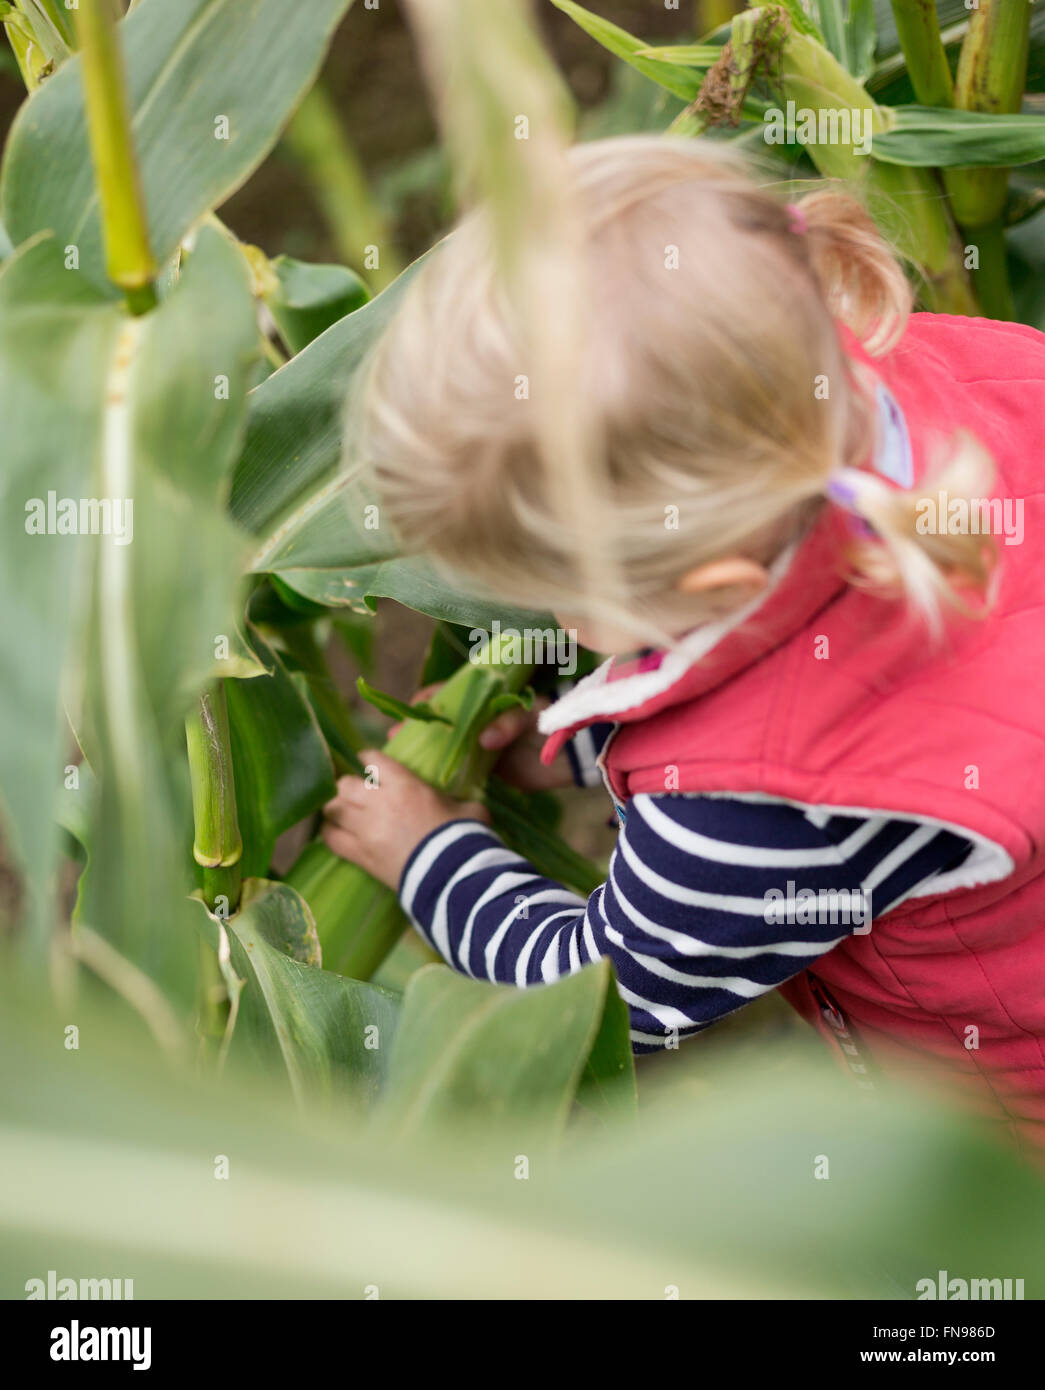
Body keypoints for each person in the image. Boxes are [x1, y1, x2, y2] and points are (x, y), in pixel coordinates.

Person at [322, 136, 1045, 1155]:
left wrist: (427, 853)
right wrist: (586, 737)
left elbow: (607, 998)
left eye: (568, 601)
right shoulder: (919, 375)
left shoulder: (768, 810)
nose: (562, 632)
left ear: (716, 583)